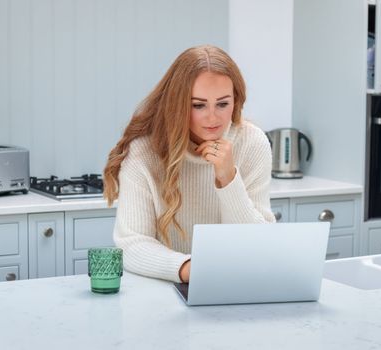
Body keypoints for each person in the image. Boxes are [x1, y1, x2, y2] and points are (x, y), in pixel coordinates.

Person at [103, 45, 275, 283]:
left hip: (238, 285)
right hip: (164, 291)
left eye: (223, 104)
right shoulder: (144, 152)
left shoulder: (252, 143)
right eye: (198, 105)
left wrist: (228, 178)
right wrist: (189, 269)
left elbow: (261, 244)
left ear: (236, 101)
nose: (213, 118)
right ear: (177, 103)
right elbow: (132, 244)